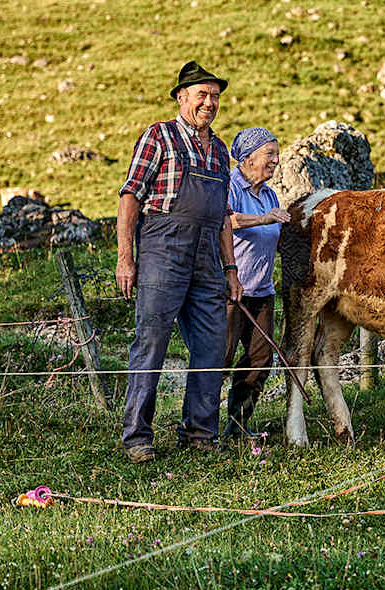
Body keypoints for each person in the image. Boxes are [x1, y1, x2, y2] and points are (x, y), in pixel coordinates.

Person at [115, 61, 243, 463]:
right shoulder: (160, 136)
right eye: (202, 95)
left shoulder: (220, 150)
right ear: (181, 97)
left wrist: (231, 268)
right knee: (151, 344)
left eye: (215, 96)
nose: (209, 103)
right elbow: (130, 196)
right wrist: (126, 259)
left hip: (207, 255)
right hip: (162, 250)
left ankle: (200, 432)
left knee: (210, 344)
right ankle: (138, 436)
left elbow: (223, 214)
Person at [222, 127, 290, 439]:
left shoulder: (270, 195)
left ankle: (237, 426)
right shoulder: (230, 187)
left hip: (262, 290)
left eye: (277, 154)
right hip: (230, 290)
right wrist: (265, 219)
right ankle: (200, 429)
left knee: (260, 359)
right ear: (248, 158)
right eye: (270, 154)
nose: (276, 160)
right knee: (218, 359)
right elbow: (228, 221)